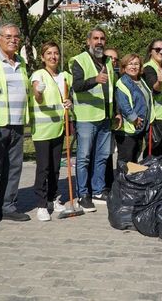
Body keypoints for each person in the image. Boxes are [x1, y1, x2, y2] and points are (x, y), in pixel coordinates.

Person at [0, 23, 32, 229]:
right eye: (8, 36)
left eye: (16, 37)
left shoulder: (21, 61)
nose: (13, 40)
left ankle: (9, 206)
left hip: (17, 123)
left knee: (14, 168)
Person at [70, 28, 116, 212]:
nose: (99, 42)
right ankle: (83, 194)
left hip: (105, 116)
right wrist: (95, 79)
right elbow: (77, 85)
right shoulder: (79, 60)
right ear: (88, 41)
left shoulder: (107, 61)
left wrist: (117, 113)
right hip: (87, 117)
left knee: (102, 156)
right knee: (84, 158)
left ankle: (98, 190)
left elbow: (112, 89)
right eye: (95, 38)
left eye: (102, 38)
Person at [30, 41, 74, 221]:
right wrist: (39, 91)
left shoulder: (64, 76)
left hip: (58, 128)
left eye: (55, 53)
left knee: (55, 167)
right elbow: (37, 97)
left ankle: (52, 198)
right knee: (44, 167)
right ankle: (41, 205)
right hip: (42, 130)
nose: (53, 56)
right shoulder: (38, 74)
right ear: (42, 57)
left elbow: (67, 96)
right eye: (48, 53)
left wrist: (69, 102)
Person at [115, 54, 154, 163]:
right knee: (126, 161)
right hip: (128, 129)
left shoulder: (141, 81)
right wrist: (134, 119)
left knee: (134, 159)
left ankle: (131, 180)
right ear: (124, 67)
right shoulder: (123, 82)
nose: (133, 67)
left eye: (136, 64)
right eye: (130, 64)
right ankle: (122, 180)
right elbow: (124, 105)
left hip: (139, 128)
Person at [142, 39, 162, 156]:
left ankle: (159, 172)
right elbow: (154, 88)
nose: (161, 52)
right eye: (157, 49)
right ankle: (149, 172)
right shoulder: (148, 68)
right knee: (154, 149)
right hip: (156, 116)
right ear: (150, 51)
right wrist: (159, 82)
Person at [103, 47, 119, 190]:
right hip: (96, 119)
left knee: (108, 153)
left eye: (115, 59)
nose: (113, 61)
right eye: (109, 58)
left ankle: (108, 183)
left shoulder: (115, 76)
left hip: (110, 120)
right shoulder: (100, 75)